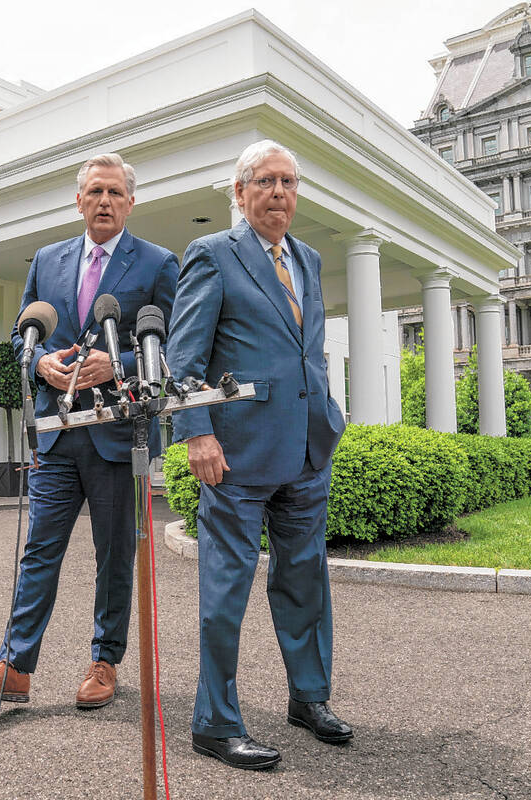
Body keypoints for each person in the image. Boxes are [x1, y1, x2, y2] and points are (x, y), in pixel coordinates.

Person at [0, 153, 178, 709]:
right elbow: (19, 335)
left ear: (131, 202)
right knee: (39, 550)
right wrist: (38, 365)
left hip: (114, 434)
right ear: (78, 201)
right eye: (94, 192)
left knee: (113, 554)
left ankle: (105, 662)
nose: (104, 201)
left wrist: (120, 361)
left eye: (115, 193)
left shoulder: (156, 263)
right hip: (56, 432)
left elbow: (174, 340)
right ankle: (15, 667)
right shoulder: (47, 261)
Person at [165, 140, 350, 770]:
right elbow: (183, 360)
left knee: (305, 583)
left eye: (289, 182)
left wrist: (326, 413)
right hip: (235, 454)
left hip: (306, 448)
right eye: (265, 182)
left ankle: (309, 697)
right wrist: (197, 431)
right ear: (239, 194)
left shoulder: (311, 259)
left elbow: (309, 350)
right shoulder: (213, 255)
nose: (279, 193)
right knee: (226, 589)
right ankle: (215, 723)